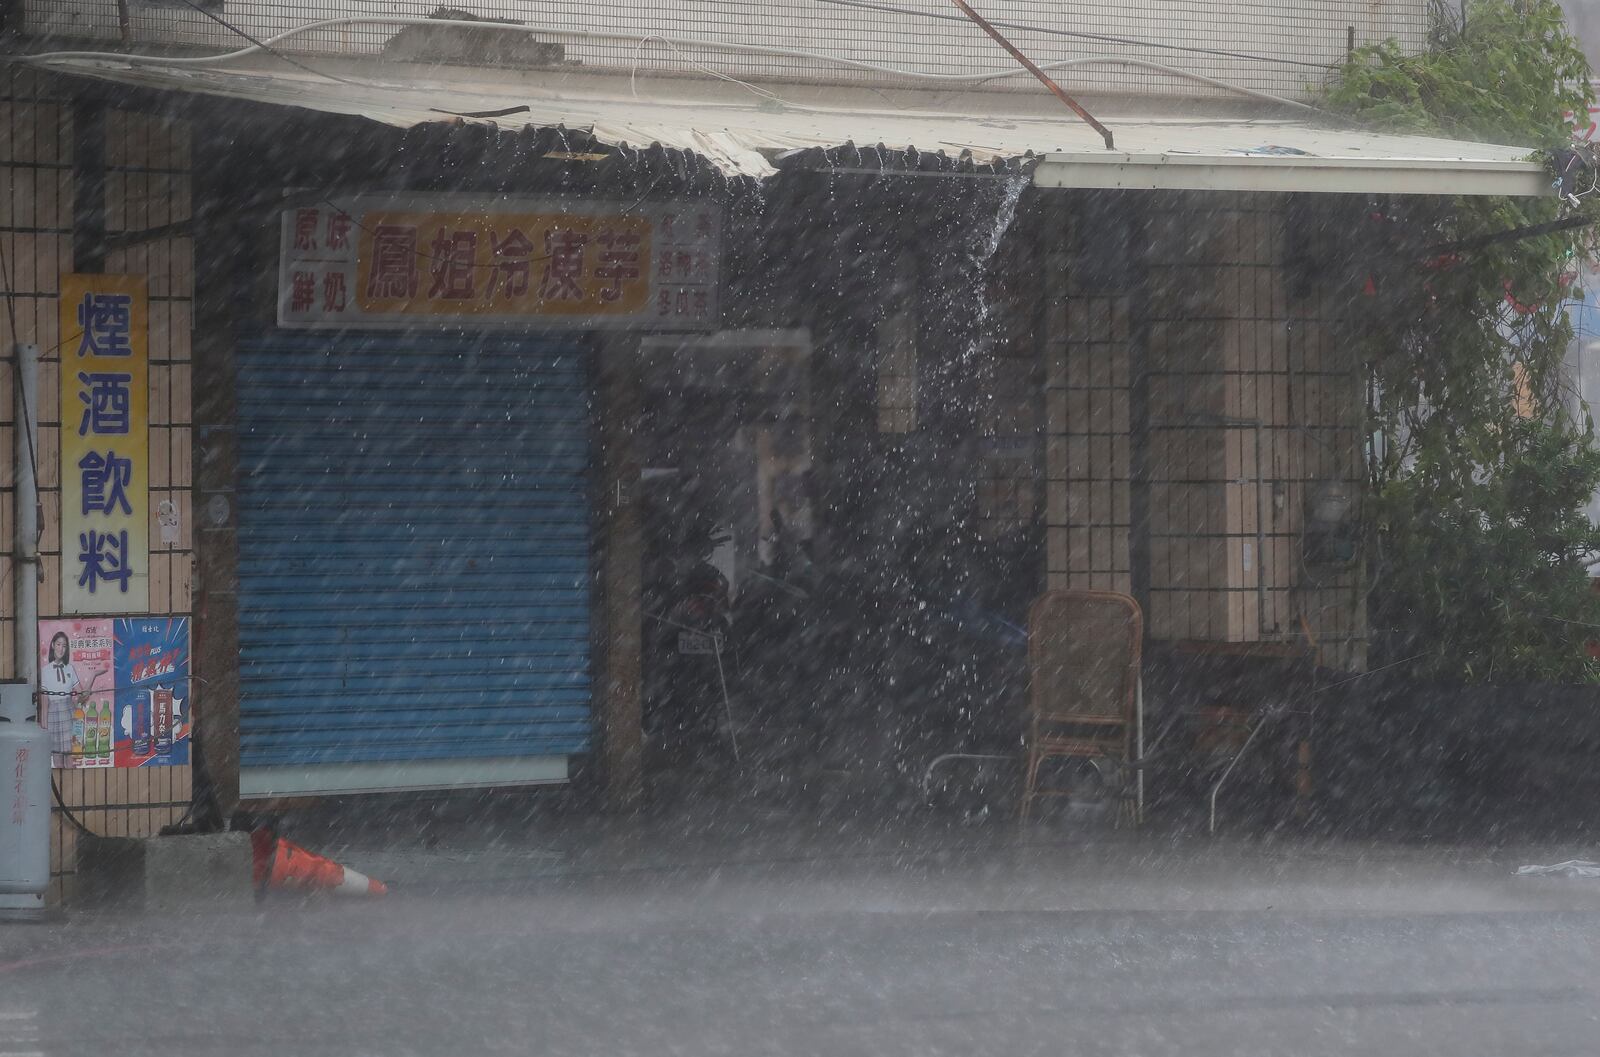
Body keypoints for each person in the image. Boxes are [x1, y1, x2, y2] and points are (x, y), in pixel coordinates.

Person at [38, 631, 105, 767]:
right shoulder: (45, 671)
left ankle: (69, 786)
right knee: (56, 755)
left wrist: (93, 675)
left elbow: (82, 696)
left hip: (69, 712)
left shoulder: (70, 668)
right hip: (52, 714)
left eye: (64, 646)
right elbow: (44, 702)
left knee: (69, 755)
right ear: (52, 645)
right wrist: (44, 725)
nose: (61, 649)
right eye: (58, 644)